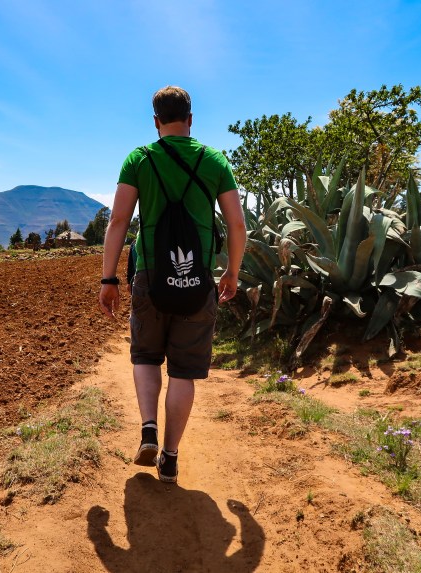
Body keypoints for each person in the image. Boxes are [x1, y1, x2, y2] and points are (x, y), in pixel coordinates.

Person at [98, 86, 246, 484]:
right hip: (197, 280)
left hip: (150, 275)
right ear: (191, 119)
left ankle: (148, 427)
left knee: (146, 357)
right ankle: (170, 455)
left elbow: (117, 223)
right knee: (183, 372)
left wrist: (109, 278)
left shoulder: (139, 160)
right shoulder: (214, 160)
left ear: (156, 121)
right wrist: (231, 271)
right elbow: (236, 225)